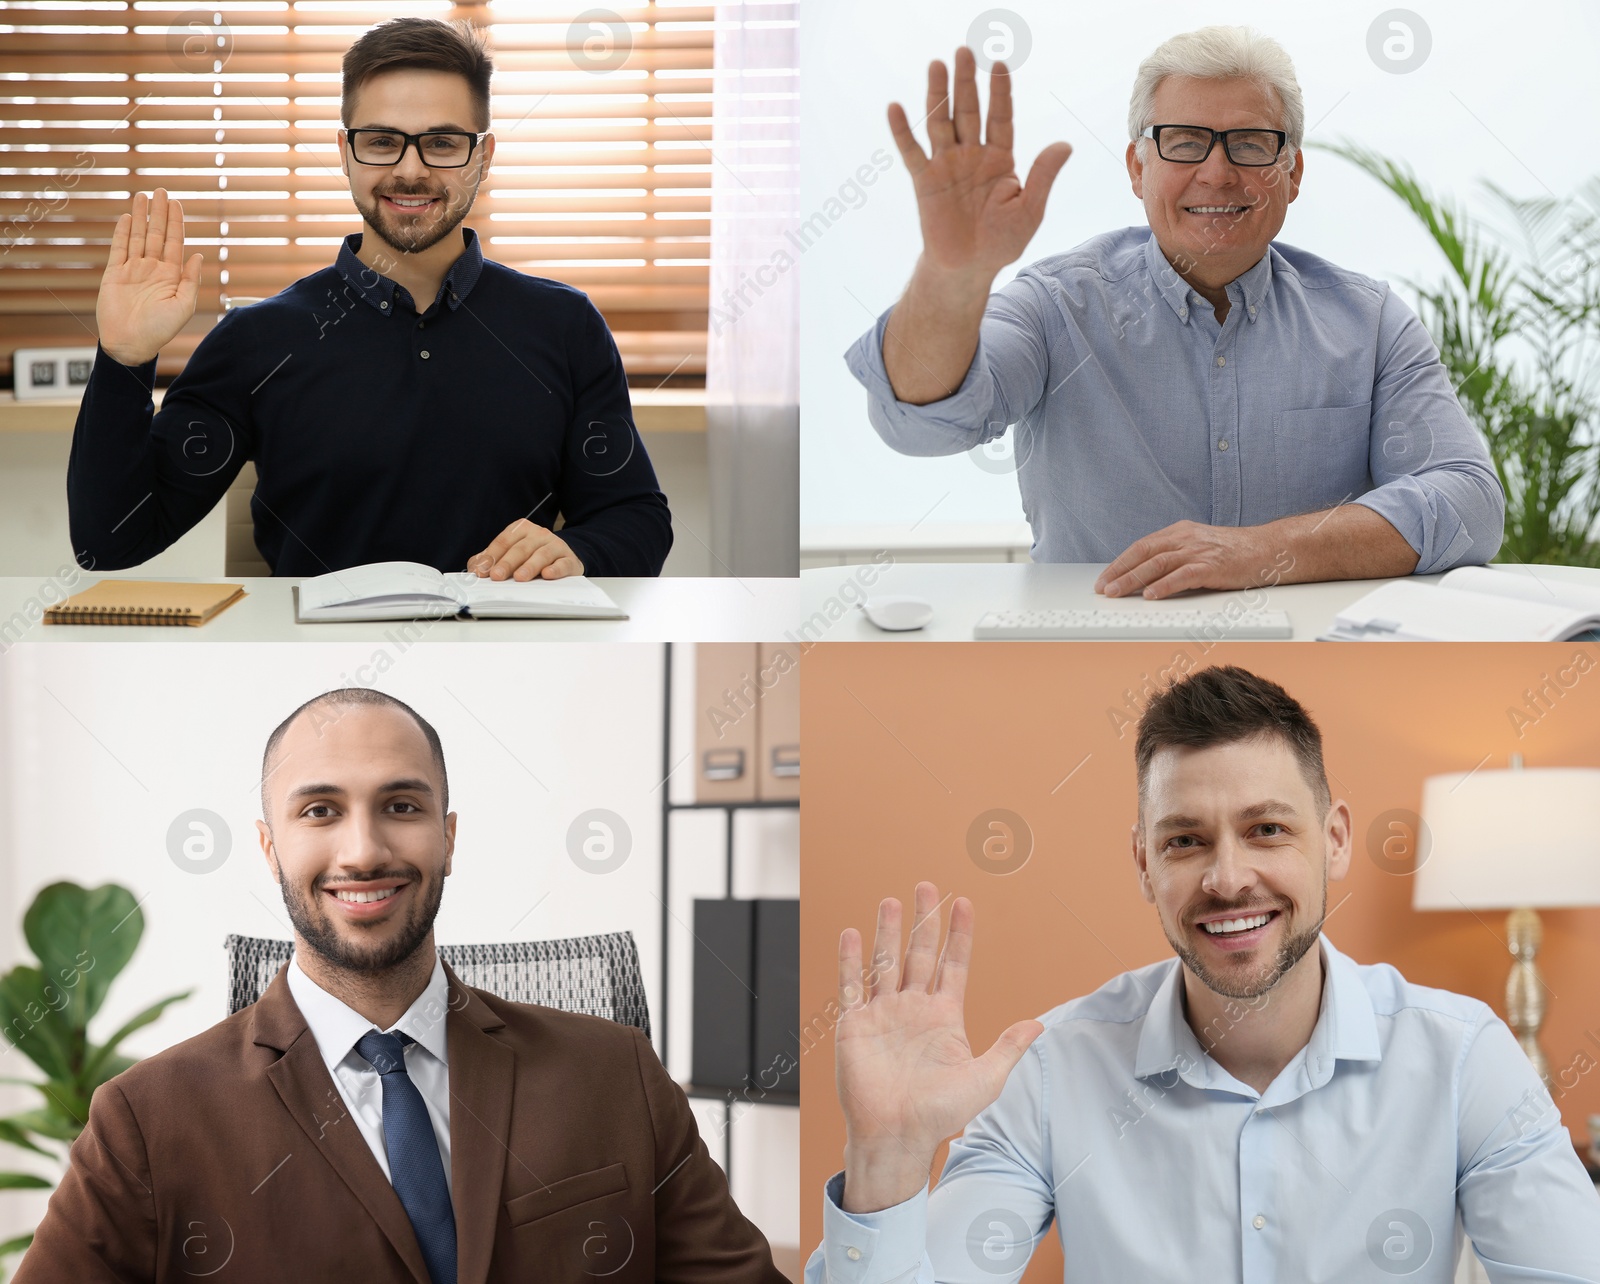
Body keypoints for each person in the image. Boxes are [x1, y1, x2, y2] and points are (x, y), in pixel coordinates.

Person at [806, 666, 1600, 1281]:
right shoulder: (1053, 1071)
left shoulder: (1463, 1058)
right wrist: (890, 1155)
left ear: (1335, 839)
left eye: (1266, 829)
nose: (1228, 878)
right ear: (1144, 863)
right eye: (1185, 840)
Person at [17, 688, 782, 1283]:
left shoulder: (616, 1073)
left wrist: (882, 1168)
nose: (364, 850)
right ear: (268, 847)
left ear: (448, 837)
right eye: (320, 810)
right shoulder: (146, 1122)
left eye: (402, 806)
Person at [845, 27, 1505, 599]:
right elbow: (919, 423)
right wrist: (954, 272)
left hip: (1306, 688)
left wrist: (1262, 552)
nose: (1217, 173)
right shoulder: (1057, 303)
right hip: (1087, 670)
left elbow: (1469, 503)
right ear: (1138, 167)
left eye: (1249, 143)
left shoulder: (1371, 323)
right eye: (1185, 141)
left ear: (1293, 172)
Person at [69, 17, 672, 580]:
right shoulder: (258, 341)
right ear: (345, 152)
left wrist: (580, 551)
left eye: (441, 142)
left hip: (509, 664)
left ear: (483, 156)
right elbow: (110, 542)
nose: (410, 171)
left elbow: (639, 520)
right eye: (382, 141)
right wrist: (122, 360)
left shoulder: (564, 326)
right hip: (319, 680)